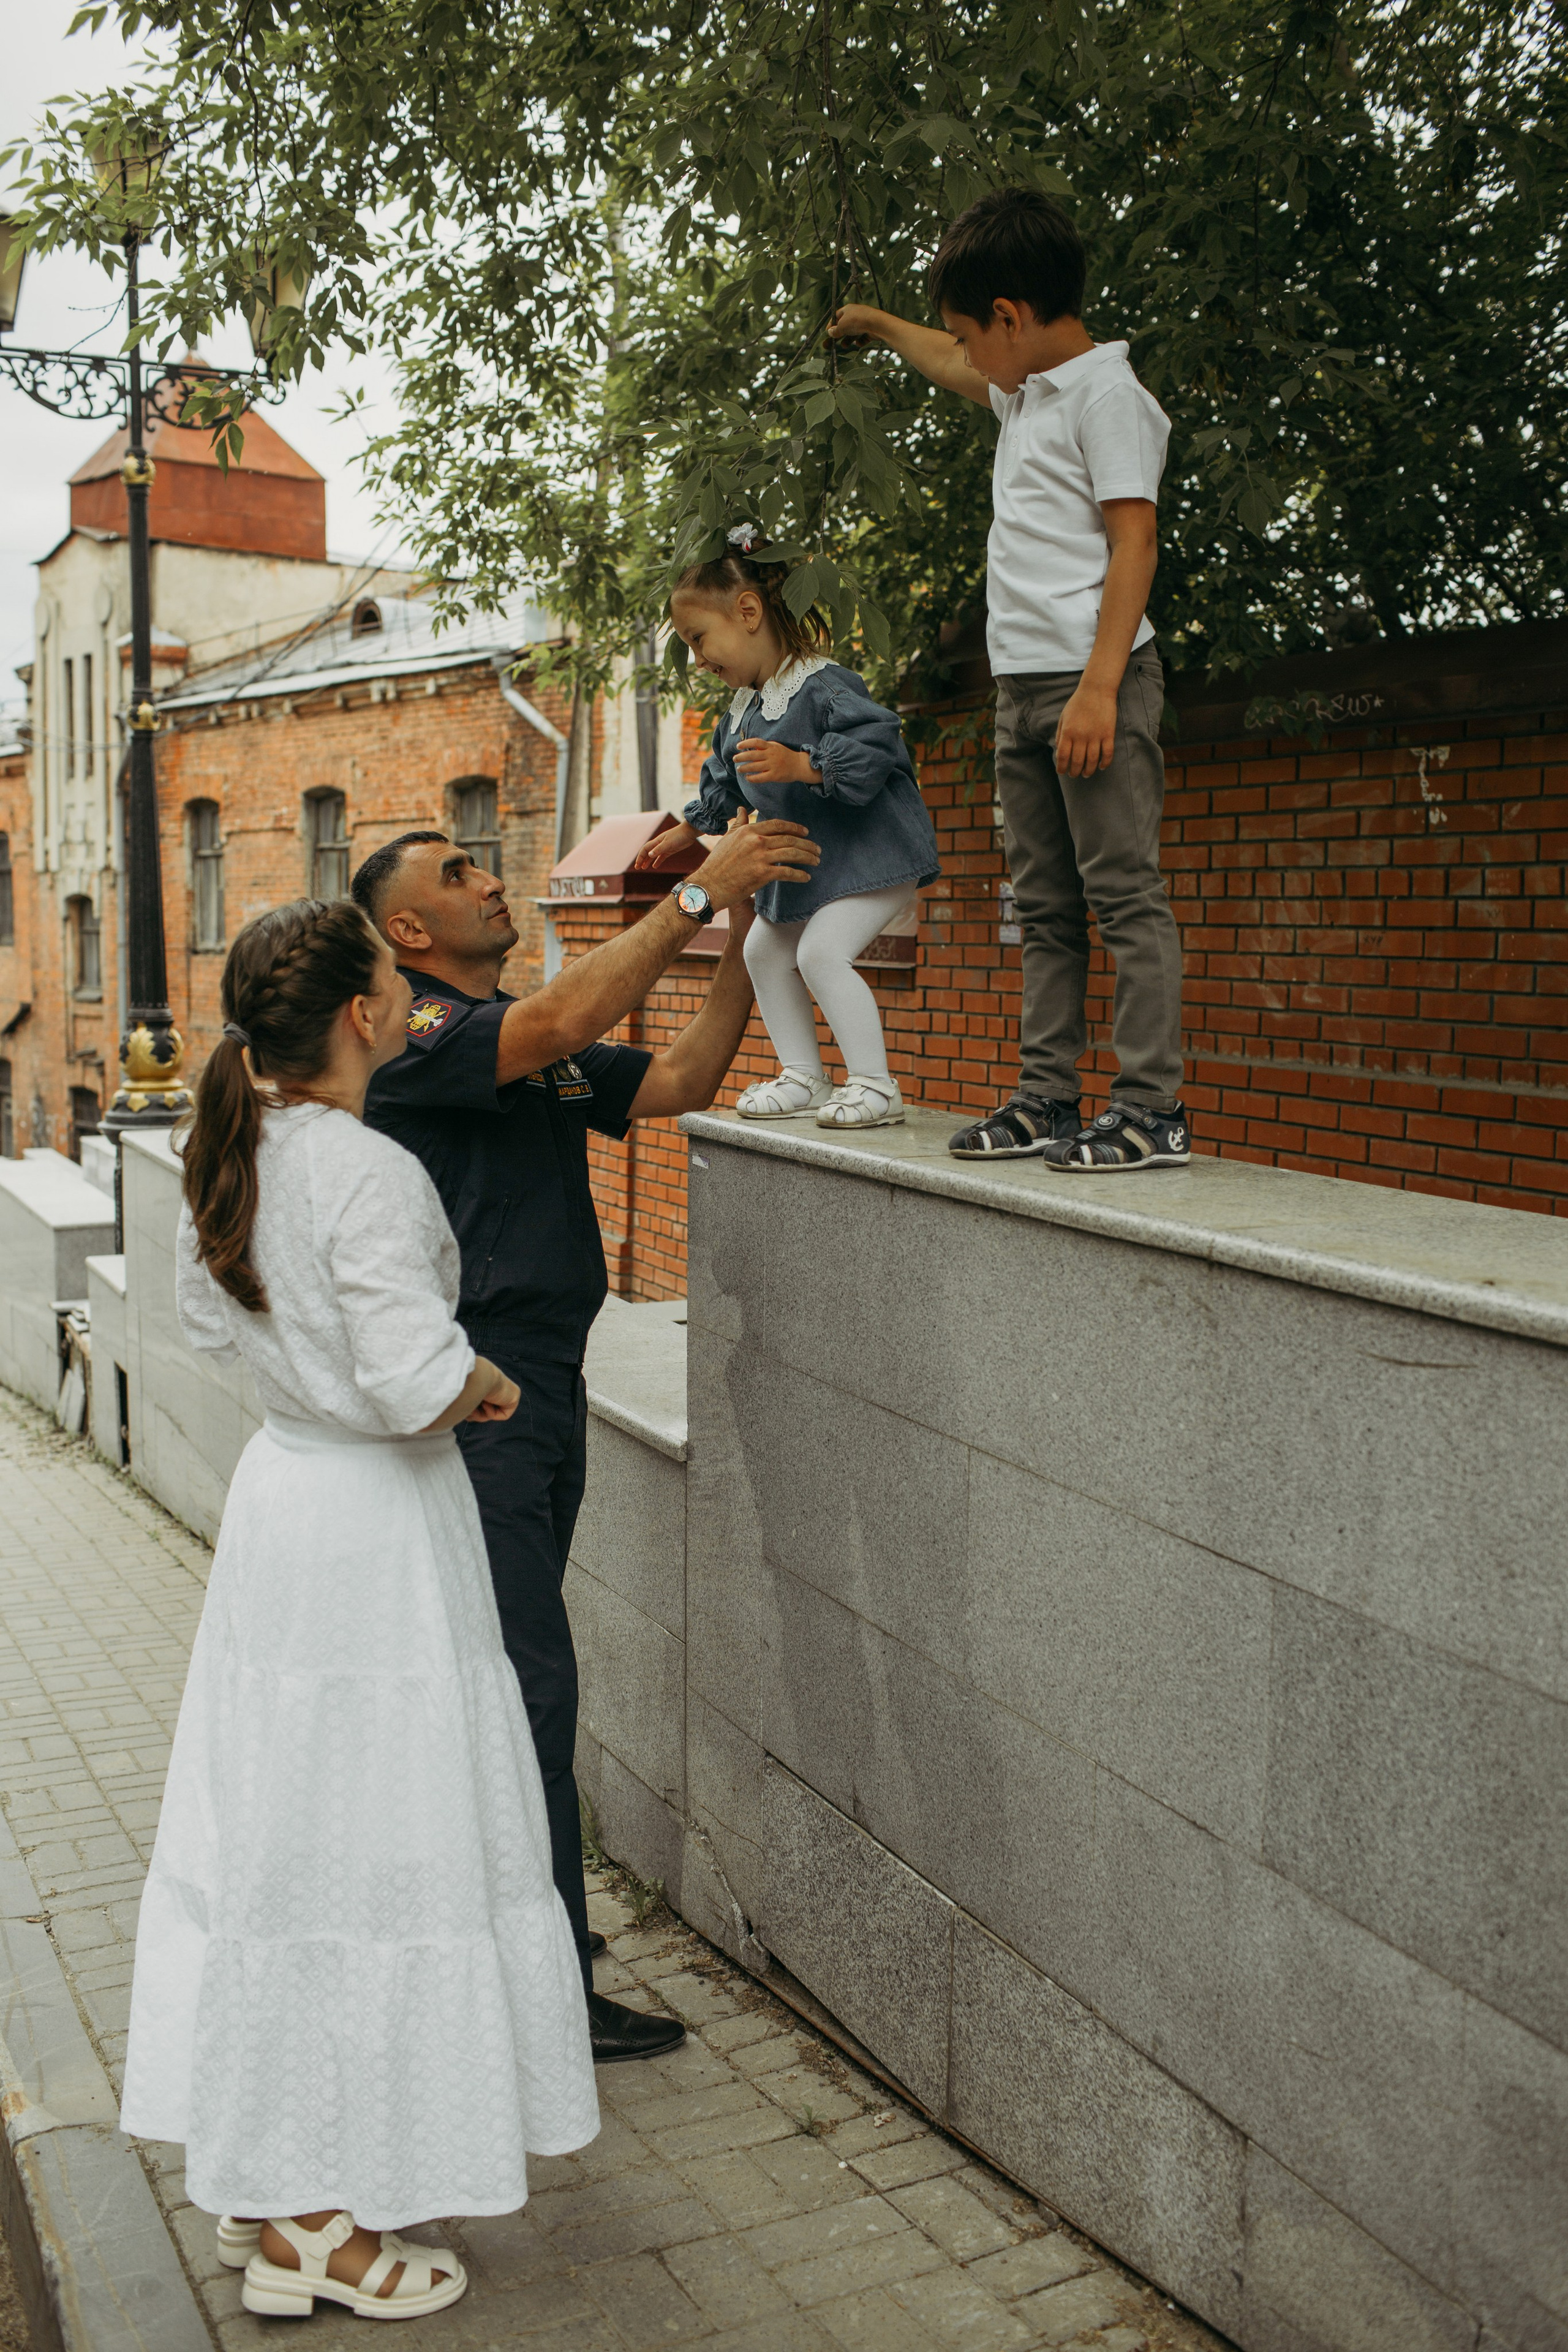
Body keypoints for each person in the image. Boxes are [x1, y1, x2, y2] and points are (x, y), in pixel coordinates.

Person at [119, 899, 599, 2324]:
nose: (404, 1000)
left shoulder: (237, 1145)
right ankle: (312, 2224)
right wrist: (492, 1383)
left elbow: (215, 1329)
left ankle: (271, 2173)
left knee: (285, 1839)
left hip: (288, 1516)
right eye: (392, 981)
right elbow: (411, 1375)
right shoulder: (367, 1170)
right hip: (379, 1532)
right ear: (361, 1015)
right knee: (375, 1840)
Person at [354, 809, 818, 2060]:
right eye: (456, 875)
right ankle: (543, 1982)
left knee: (511, 1688)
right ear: (408, 930)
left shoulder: (517, 1042)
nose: (485, 879)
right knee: (523, 1689)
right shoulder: (419, 1031)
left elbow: (676, 1084)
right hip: (482, 1407)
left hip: (543, 1391)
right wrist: (693, 900)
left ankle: (514, 1946)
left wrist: (742, 951)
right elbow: (563, 1022)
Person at [829, 186, 1192, 1172]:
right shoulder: (1026, 386)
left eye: (970, 331)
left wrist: (1102, 687)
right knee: (1042, 903)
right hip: (1023, 686)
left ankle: (1153, 1110)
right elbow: (949, 359)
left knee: (1122, 895)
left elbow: (1136, 541)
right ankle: (1049, 1100)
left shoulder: (1109, 398)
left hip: (1091, 680)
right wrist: (873, 322)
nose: (964, 355)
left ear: (1013, 317)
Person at [634, 525, 941, 1131]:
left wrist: (805, 766)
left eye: (699, 639)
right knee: (760, 951)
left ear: (747, 612)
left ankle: (876, 1086)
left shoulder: (823, 686)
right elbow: (725, 779)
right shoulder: (744, 709)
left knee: (822, 953)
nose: (697, 659)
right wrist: (691, 829)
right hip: (815, 870)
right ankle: (804, 1075)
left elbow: (878, 744)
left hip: (870, 859)